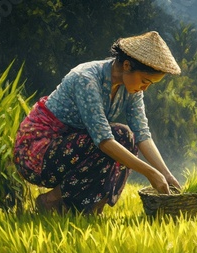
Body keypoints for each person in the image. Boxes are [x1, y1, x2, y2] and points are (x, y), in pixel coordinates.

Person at [13, 31, 181, 214]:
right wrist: (150, 173)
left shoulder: (131, 89)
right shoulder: (86, 78)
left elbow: (142, 133)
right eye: (144, 81)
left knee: (126, 138)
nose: (145, 88)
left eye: (150, 84)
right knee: (118, 137)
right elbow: (103, 140)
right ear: (126, 65)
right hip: (38, 153)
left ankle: (89, 211)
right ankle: (51, 200)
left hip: (73, 149)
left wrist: (166, 174)